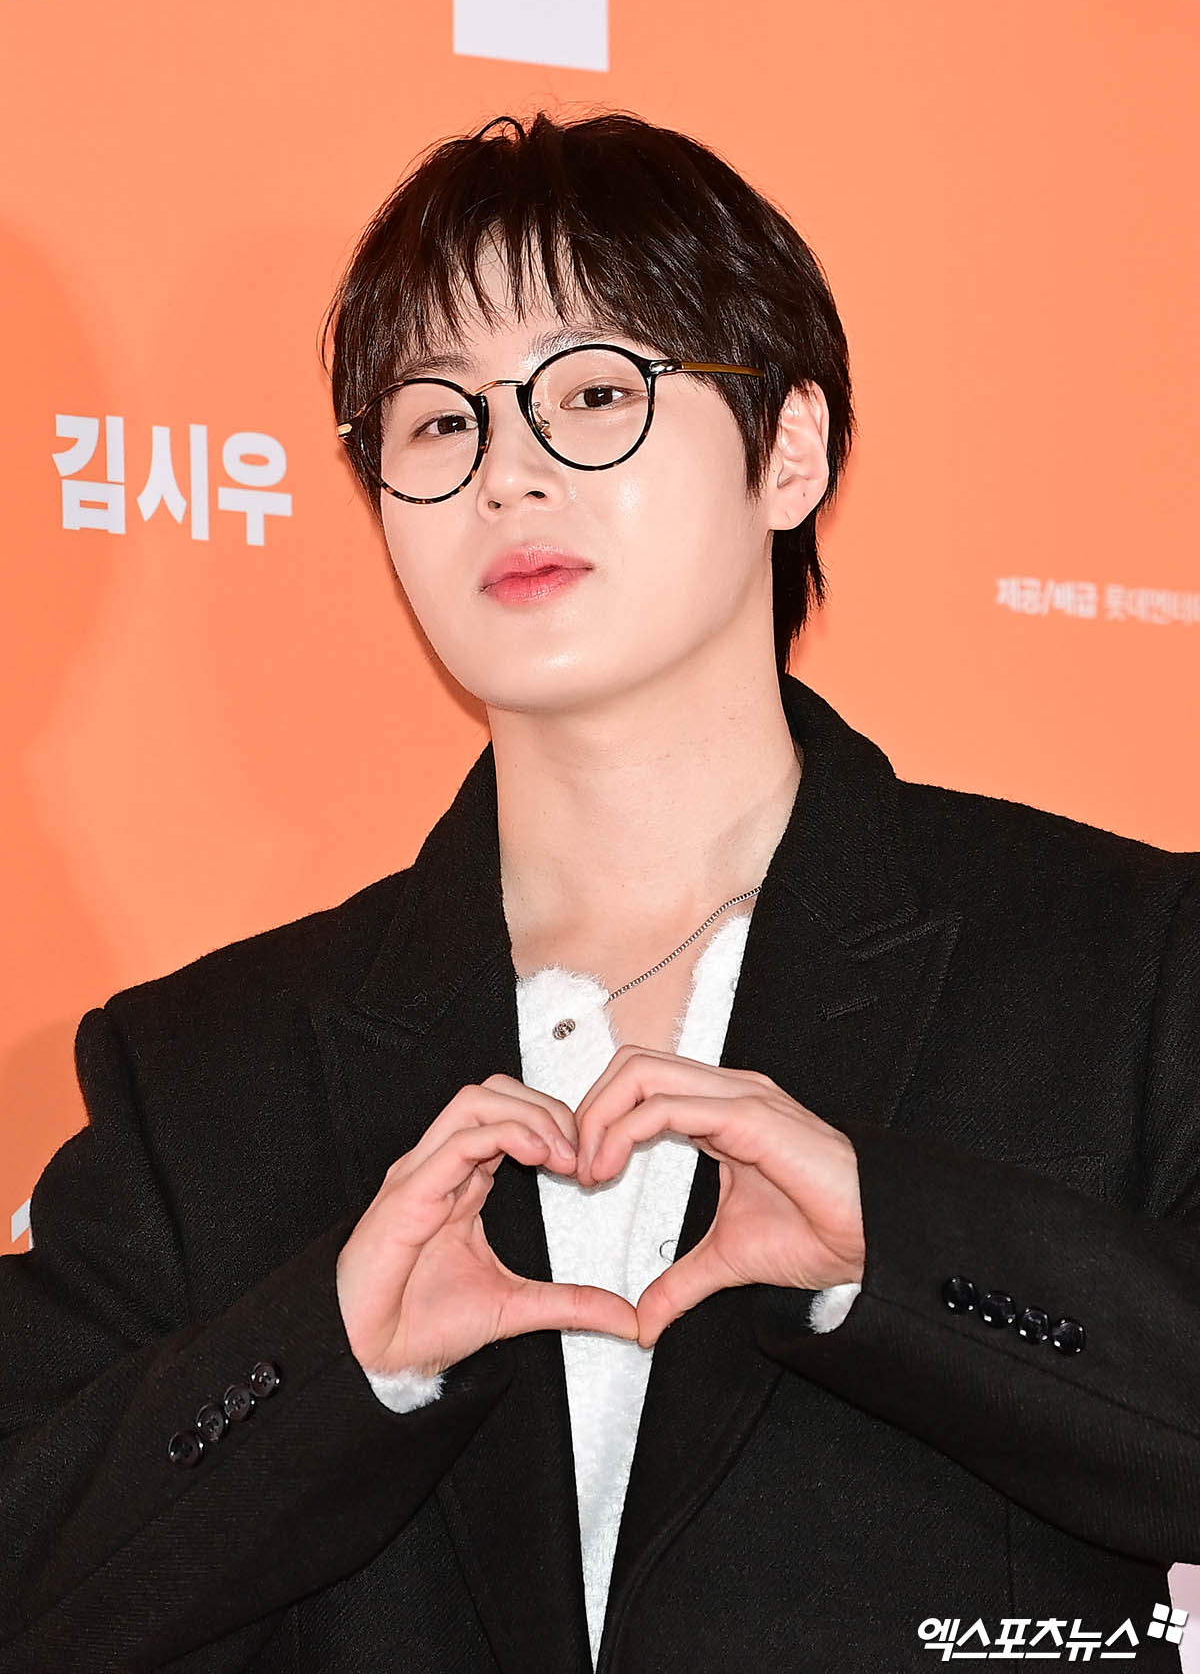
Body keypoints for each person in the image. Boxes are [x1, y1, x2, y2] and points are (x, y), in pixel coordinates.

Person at [1, 108, 1197, 1674]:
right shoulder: (206, 1072)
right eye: (439, 422)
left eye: (591, 395)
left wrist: (900, 1256)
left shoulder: (1126, 967)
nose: (508, 474)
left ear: (789, 451)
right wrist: (333, 1362)